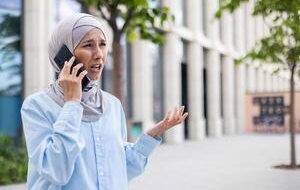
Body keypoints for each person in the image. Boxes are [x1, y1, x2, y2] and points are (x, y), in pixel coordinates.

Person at [21, 13, 188, 190]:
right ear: (64, 56)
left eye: (102, 44)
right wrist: (72, 104)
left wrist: (154, 133)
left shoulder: (112, 105)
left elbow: (119, 169)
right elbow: (56, 170)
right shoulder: (37, 106)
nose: (99, 54)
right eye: (88, 45)